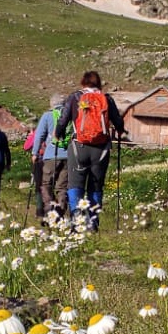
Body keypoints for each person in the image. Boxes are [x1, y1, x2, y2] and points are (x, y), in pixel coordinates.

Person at [53, 71, 126, 231]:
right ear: (98, 83)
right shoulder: (106, 99)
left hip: (79, 147)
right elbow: (119, 124)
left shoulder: (75, 97)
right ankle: (93, 223)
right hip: (101, 149)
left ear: (82, 82)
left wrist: (57, 134)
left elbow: (63, 119)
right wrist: (119, 130)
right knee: (96, 186)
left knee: (75, 185)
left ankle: (77, 223)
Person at [32, 93, 71, 220]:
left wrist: (35, 153)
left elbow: (39, 136)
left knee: (46, 183)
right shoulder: (70, 115)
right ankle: (60, 211)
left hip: (50, 155)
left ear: (51, 103)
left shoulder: (48, 115)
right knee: (62, 186)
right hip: (68, 155)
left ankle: (49, 211)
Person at [23, 127, 45, 220]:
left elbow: (26, 146)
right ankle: (51, 208)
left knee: (38, 186)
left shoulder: (37, 133)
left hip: (39, 161)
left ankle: (40, 210)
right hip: (52, 160)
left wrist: (31, 135)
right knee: (50, 185)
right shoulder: (52, 130)